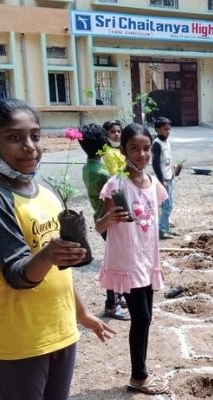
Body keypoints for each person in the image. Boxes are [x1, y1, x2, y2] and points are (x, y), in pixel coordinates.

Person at [0, 98, 114, 400]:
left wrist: (82, 313)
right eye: (14, 137)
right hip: (20, 340)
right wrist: (47, 254)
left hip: (61, 331)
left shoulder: (46, 192)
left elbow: (61, 272)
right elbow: (17, 274)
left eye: (35, 136)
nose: (29, 147)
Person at [95, 123, 170, 395]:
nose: (142, 154)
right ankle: (138, 376)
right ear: (123, 150)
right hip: (128, 262)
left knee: (146, 318)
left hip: (148, 260)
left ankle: (140, 372)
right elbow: (99, 227)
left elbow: (148, 221)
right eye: (134, 148)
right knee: (141, 318)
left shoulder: (153, 184)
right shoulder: (116, 185)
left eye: (146, 148)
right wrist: (109, 217)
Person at [78, 123, 130, 321]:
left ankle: (120, 296)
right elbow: (116, 196)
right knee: (115, 263)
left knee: (118, 260)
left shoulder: (88, 167)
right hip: (108, 220)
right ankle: (111, 305)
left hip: (102, 217)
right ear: (103, 145)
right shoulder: (100, 173)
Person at [151, 117, 176, 240]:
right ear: (158, 129)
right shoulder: (157, 144)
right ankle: (161, 230)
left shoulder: (167, 142)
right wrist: (161, 180)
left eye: (169, 129)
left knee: (170, 204)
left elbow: (166, 160)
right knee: (167, 206)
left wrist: (173, 168)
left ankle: (166, 228)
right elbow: (155, 164)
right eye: (165, 129)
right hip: (163, 179)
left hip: (169, 176)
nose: (168, 131)